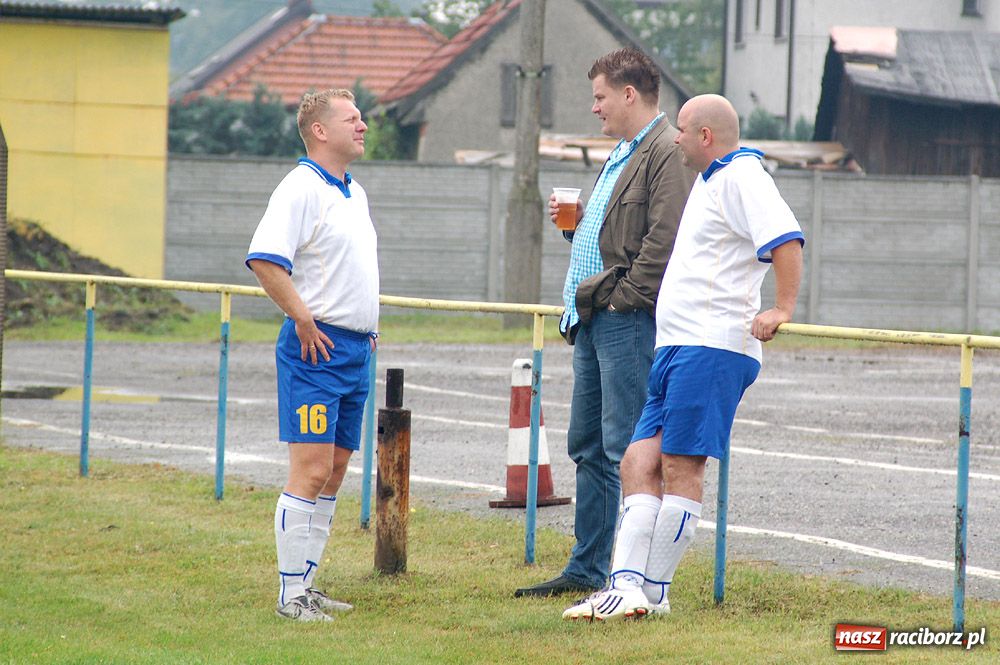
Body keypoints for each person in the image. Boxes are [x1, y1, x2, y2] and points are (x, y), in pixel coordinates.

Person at [561, 93, 804, 622]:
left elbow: (786, 240)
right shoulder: (711, 179)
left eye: (684, 129)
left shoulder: (744, 176)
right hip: (678, 344)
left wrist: (781, 308)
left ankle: (653, 590)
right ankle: (627, 588)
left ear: (706, 137)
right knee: (636, 461)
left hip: (712, 345)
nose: (675, 138)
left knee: (679, 465)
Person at [515, 48, 694, 598]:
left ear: (629, 94)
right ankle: (588, 568)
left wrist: (626, 301)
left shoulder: (666, 150)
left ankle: (628, 576)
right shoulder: (622, 150)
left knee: (626, 449)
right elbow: (612, 236)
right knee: (587, 446)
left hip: (624, 318)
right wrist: (576, 233)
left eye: (599, 96)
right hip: (592, 315)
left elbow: (665, 238)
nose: (593, 108)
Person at [246, 89, 379, 622]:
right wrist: (303, 317)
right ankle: (289, 596)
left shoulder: (354, 191)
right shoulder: (299, 188)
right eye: (352, 118)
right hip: (316, 348)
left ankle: (308, 583)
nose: (363, 125)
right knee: (310, 468)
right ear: (320, 131)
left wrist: (368, 327)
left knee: (337, 466)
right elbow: (265, 260)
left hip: (355, 348)